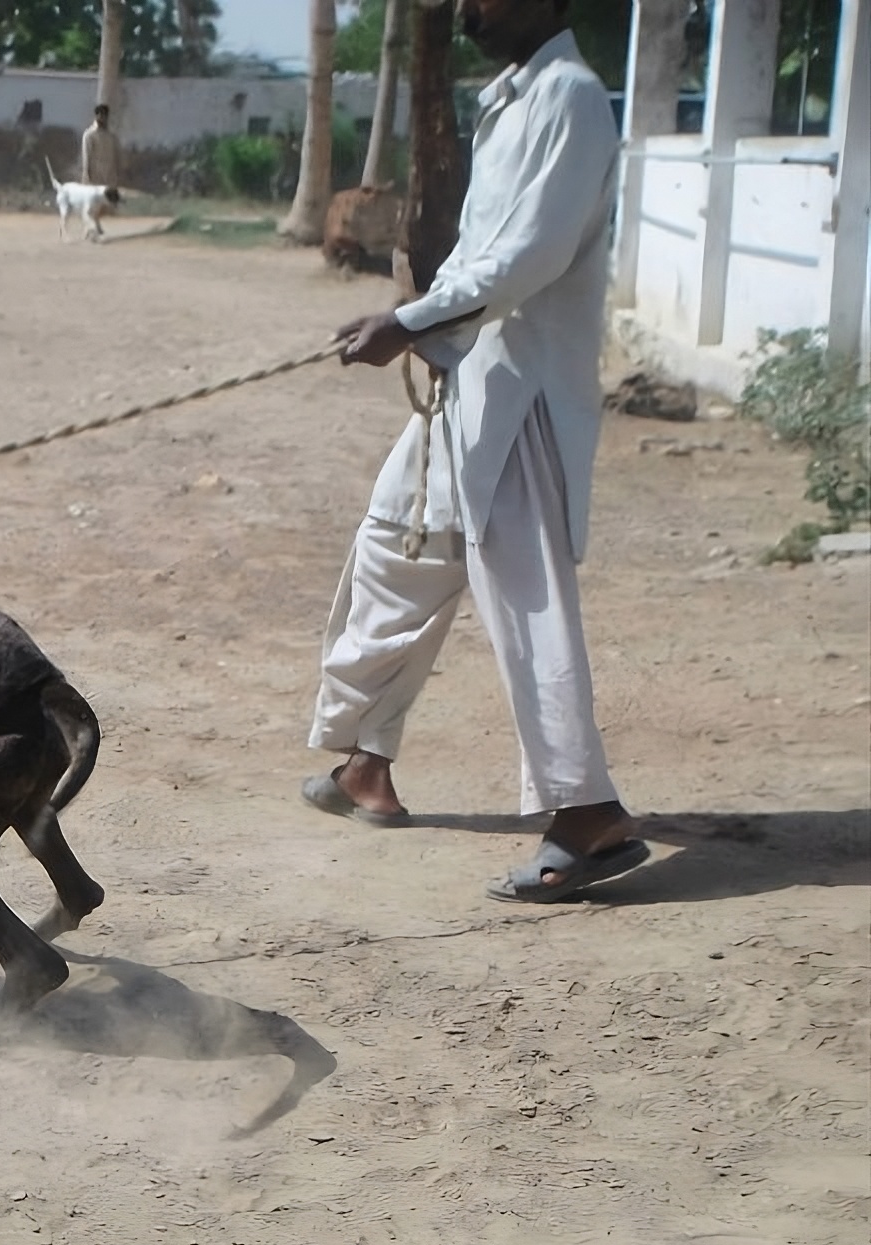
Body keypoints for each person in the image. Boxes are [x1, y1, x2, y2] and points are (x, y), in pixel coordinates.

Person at [302, 0, 649, 904]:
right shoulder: (513, 99)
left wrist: (413, 320)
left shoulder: (571, 98)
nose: (465, 7)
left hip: (525, 393)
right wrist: (415, 324)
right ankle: (367, 762)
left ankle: (588, 814)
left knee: (527, 606)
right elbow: (480, 251)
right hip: (470, 376)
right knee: (396, 551)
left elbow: (532, 255)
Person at [81, 103, 122, 188]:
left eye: (104, 115)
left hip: (110, 177)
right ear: (96, 116)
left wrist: (118, 174)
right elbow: (86, 156)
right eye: (100, 115)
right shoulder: (89, 134)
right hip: (95, 177)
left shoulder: (112, 136)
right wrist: (86, 176)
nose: (102, 118)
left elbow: (117, 156)